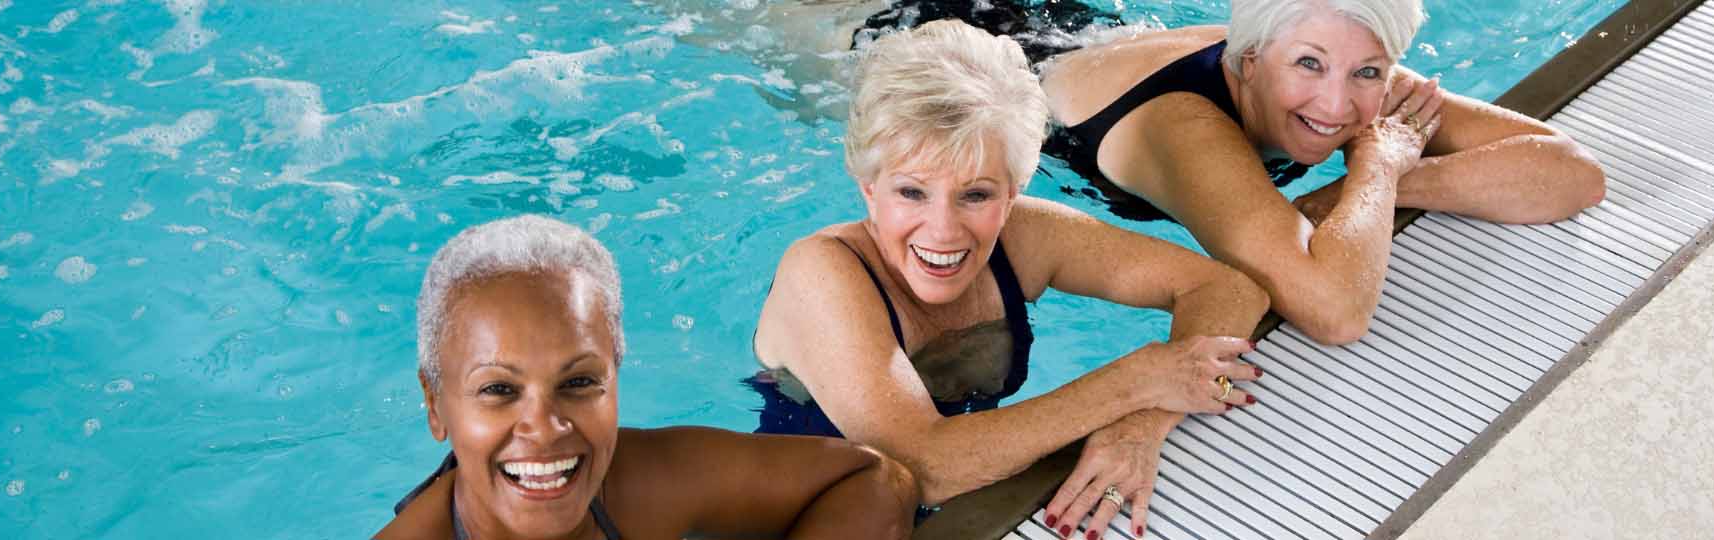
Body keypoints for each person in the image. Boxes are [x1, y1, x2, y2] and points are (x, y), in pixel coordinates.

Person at [750, 21, 1270, 540]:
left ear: (1015, 188)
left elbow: (1229, 290)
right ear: (868, 187)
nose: (943, 230)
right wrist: (1134, 381)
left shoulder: (1023, 237)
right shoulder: (822, 272)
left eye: (975, 195)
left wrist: (1140, 425)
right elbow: (925, 468)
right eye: (911, 193)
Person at [845, 0, 1607, 345]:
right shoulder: (1190, 129)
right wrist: (1375, 164)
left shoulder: (1332, 58)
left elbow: (1571, 172)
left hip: (1060, 24)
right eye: (1307, 66)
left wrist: (1379, 181)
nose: (1337, 103)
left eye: (1368, 74)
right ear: (1251, 62)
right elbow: (1336, 312)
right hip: (912, 39)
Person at [380, 216, 919, 540]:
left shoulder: (637, 485)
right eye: (499, 390)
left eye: (578, 382)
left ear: (615, 375)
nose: (544, 429)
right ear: (435, 404)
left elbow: (875, 479)